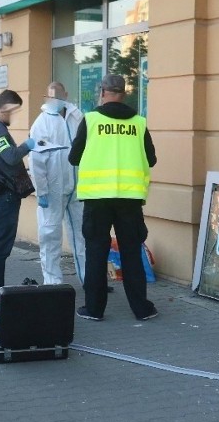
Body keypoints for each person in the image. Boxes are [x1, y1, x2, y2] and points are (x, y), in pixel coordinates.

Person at [69, 74, 158, 322]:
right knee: (131, 252)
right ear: (124, 93)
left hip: (97, 198)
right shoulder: (139, 123)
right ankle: (142, 309)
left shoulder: (91, 121)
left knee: (96, 252)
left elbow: (73, 157)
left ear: (103, 92)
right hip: (129, 199)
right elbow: (151, 159)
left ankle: (94, 309)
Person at [0, 89, 36, 297]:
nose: (13, 115)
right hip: (4, 196)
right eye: (12, 111)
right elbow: (10, 157)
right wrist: (28, 145)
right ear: (3, 108)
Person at [29, 81, 88, 286]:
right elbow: (36, 160)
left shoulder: (76, 117)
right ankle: (52, 281)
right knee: (50, 235)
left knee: (82, 235)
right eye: (51, 96)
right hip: (53, 189)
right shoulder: (41, 124)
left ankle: (88, 279)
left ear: (66, 95)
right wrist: (41, 191)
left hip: (76, 187)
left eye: (59, 96)